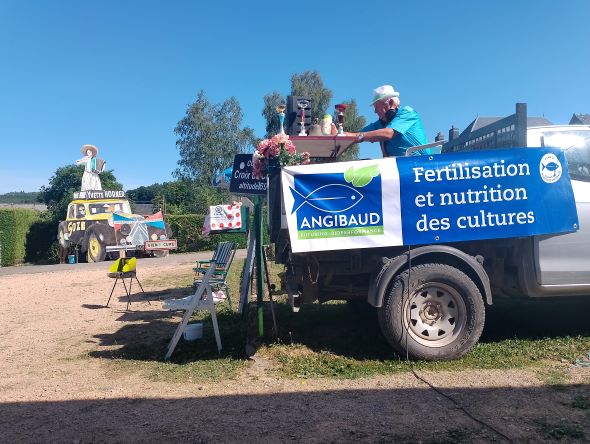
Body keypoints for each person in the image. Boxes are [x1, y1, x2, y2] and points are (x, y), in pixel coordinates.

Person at [344, 85, 428, 157]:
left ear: (391, 102)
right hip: (396, 165)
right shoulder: (379, 124)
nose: (375, 111)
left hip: (420, 164)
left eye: (377, 107)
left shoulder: (407, 112)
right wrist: (341, 134)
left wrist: (358, 136)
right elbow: (356, 134)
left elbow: (389, 133)